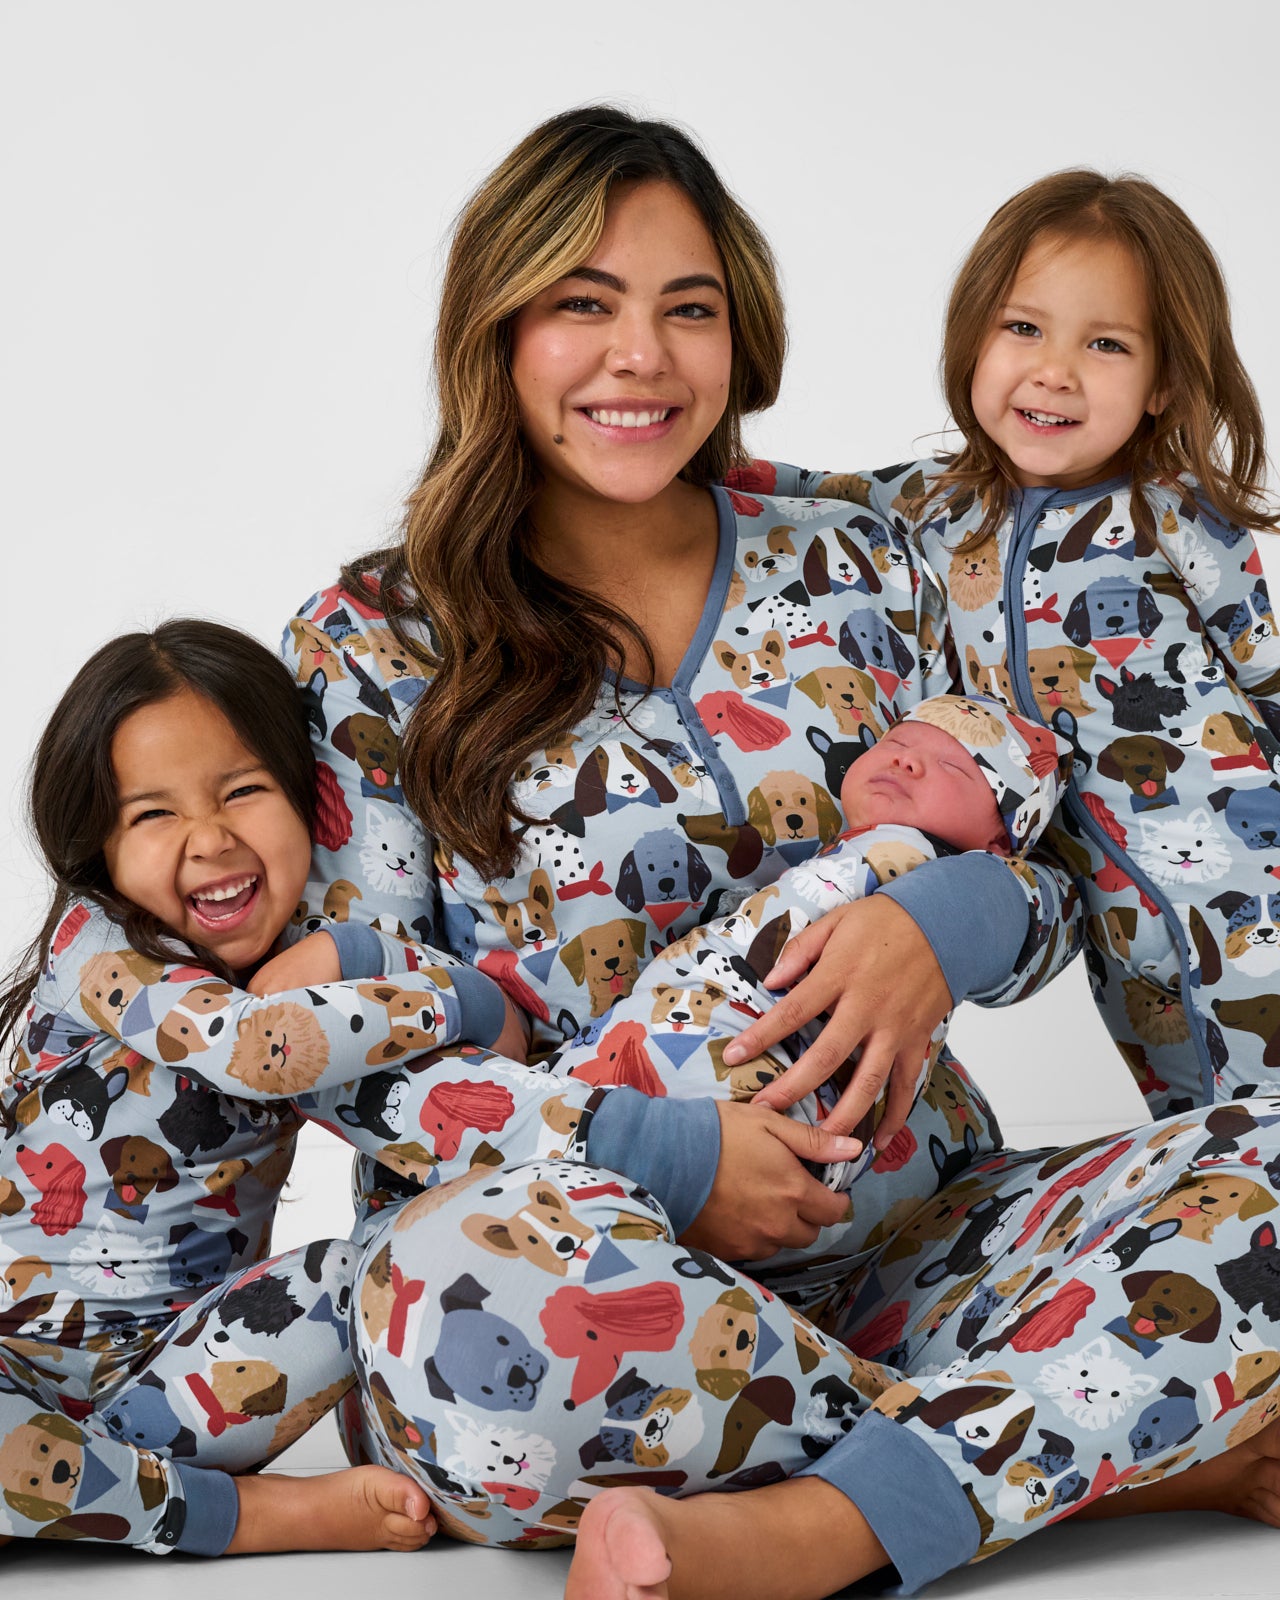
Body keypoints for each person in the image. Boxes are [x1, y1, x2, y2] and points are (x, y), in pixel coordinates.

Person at [280, 113, 1280, 1600]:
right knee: (443, 1312)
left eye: (688, 309)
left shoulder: (856, 558)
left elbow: (1048, 866)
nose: (641, 357)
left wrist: (948, 921)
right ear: (495, 331)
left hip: (924, 1241)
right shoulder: (370, 645)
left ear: (741, 336)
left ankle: (809, 1527)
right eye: (583, 303)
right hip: (585, 1275)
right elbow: (338, 1047)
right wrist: (666, 1159)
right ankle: (1096, 1454)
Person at [749, 168, 1280, 1125]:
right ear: (973, 338)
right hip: (1122, 936)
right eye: (1023, 327)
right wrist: (713, 468)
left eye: (1105, 344)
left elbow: (1265, 670)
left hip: (1252, 877)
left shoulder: (1173, 513)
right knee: (1200, 1127)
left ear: (1163, 382)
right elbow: (817, 491)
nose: (1054, 371)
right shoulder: (937, 502)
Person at [0, 620, 448, 1555]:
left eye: (244, 791)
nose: (210, 840)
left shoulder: (297, 970)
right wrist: (436, 990)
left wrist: (384, 965)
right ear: (97, 846)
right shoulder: (97, 947)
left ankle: (96, 1500)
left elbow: (479, 1056)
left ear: (308, 801)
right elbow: (252, 1050)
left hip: (184, 1383)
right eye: (152, 814)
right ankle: (248, 1518)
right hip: (12, 1375)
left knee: (366, 1273)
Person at [538, 693, 1070, 1194]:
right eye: (897, 743)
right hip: (662, 1041)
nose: (907, 761)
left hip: (745, 1065)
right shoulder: (852, 850)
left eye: (955, 767)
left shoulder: (927, 870)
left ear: (1000, 842)